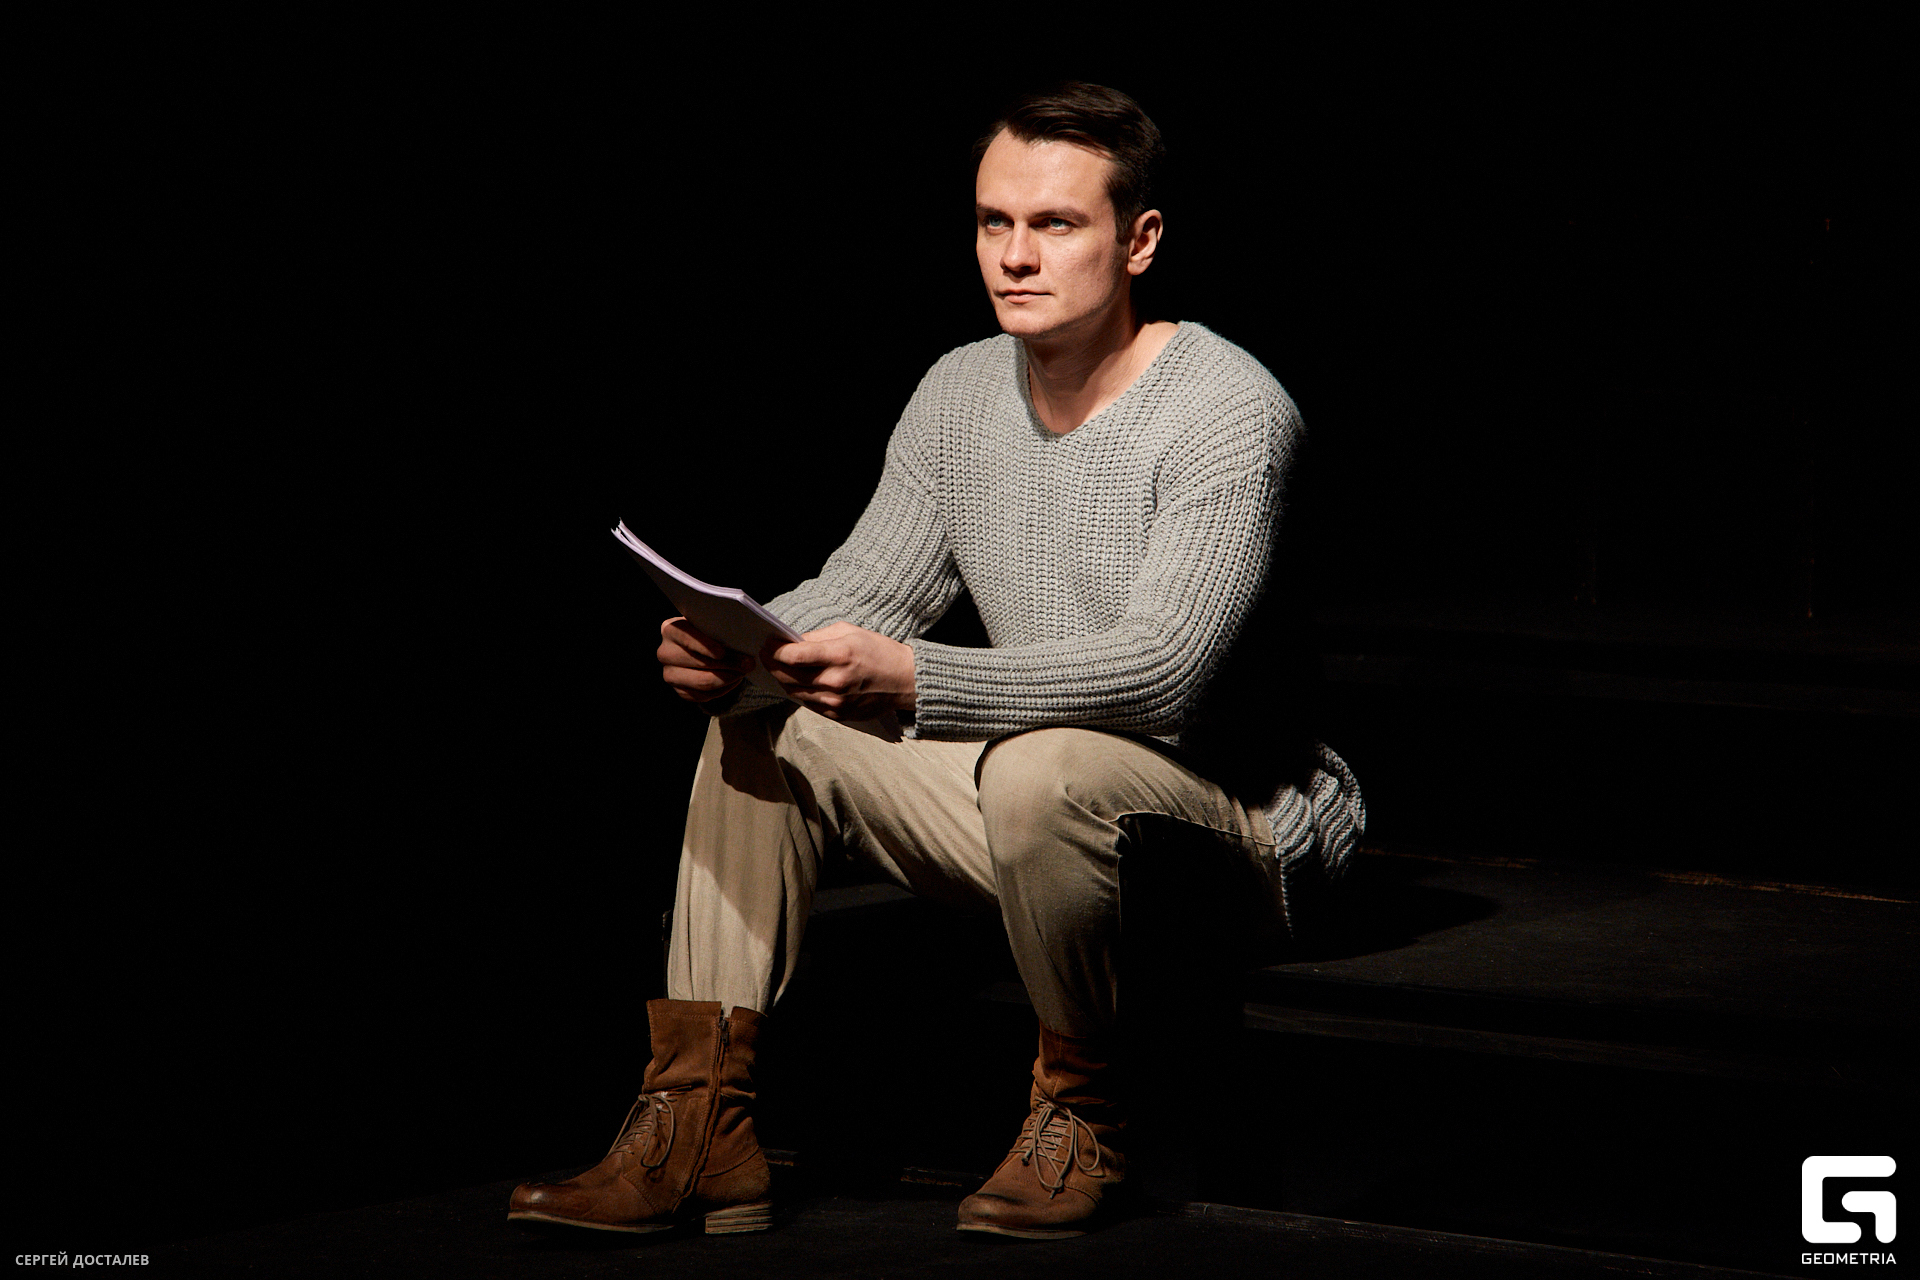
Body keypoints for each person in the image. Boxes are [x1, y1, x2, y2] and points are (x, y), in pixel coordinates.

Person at [508, 81, 1363, 1241]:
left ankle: (1084, 1112)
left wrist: (921, 680)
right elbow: (866, 588)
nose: (1015, 255)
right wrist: (741, 647)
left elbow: (1168, 672)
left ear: (1140, 240)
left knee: (1040, 768)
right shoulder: (961, 390)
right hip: (1037, 808)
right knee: (770, 719)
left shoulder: (1225, 408)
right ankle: (696, 1120)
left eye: (1055, 223)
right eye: (993, 221)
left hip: (1234, 831)